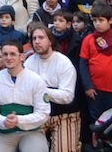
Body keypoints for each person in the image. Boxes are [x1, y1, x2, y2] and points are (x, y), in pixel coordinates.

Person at [0, 41, 50, 152]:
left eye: (13, 54)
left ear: (21, 57)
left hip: (32, 132)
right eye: (5, 54)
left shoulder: (36, 80)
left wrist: (19, 120)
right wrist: (3, 121)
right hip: (5, 133)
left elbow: (43, 113)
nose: (8, 57)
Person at [22, 23, 77, 152]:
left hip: (64, 115)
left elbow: (67, 96)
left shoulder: (64, 63)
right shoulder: (29, 62)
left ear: (50, 41)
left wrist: (41, 90)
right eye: (34, 39)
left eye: (41, 38)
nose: (37, 42)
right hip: (38, 115)